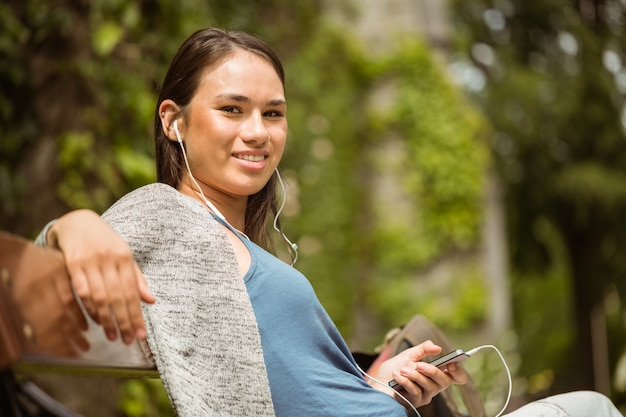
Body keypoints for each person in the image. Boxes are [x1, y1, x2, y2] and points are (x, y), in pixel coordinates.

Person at [37, 28, 623, 417]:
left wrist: (372, 385)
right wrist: (75, 222)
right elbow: (49, 267)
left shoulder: (241, 241)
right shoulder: (166, 213)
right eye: (232, 110)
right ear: (174, 120)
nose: (258, 132)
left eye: (273, 113)